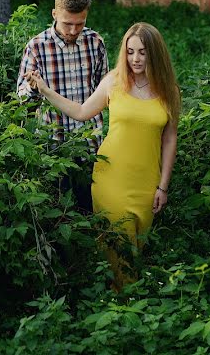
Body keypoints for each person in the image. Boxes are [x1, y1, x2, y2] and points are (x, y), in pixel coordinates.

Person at [26, 22, 180, 289]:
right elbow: (82, 112)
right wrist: (45, 90)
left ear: (154, 53)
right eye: (130, 52)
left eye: (142, 52)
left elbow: (169, 138)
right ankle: (122, 308)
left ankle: (124, 305)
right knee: (118, 253)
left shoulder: (168, 91)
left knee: (136, 249)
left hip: (146, 182)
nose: (135, 59)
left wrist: (163, 186)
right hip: (111, 179)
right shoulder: (114, 82)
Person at [17, 0, 109, 212]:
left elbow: (105, 91)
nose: (73, 30)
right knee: (59, 211)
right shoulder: (37, 46)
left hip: (91, 143)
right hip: (54, 145)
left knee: (91, 208)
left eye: (80, 23)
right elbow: (21, 98)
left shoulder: (95, 42)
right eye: (68, 23)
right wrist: (32, 88)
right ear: (54, 14)